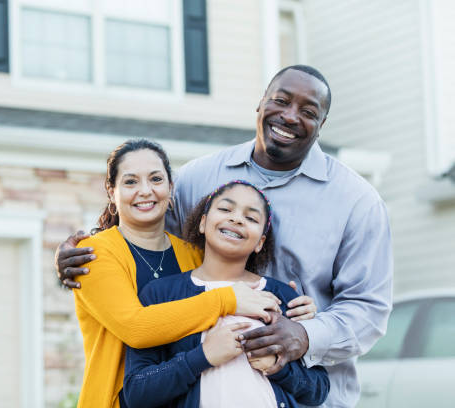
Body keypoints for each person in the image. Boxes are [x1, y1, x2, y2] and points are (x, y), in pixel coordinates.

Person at [56, 65, 393, 407]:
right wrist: (87, 248)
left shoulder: (357, 202)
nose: (290, 116)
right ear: (260, 104)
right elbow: (143, 222)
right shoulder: (197, 178)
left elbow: (368, 308)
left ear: (321, 125)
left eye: (308, 112)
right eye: (281, 100)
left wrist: (305, 335)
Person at [71, 139, 313, 408]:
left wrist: (300, 312)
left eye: (155, 179)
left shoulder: (192, 254)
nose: (145, 191)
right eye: (130, 182)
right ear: (111, 190)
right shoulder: (94, 253)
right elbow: (136, 328)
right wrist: (226, 300)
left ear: (170, 187)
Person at [123, 180, 330, 408]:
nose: (237, 219)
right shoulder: (161, 293)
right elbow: (137, 393)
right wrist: (202, 357)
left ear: (260, 242)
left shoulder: (283, 296)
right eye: (225, 209)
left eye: (251, 218)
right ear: (203, 223)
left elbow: (318, 390)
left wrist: (278, 367)